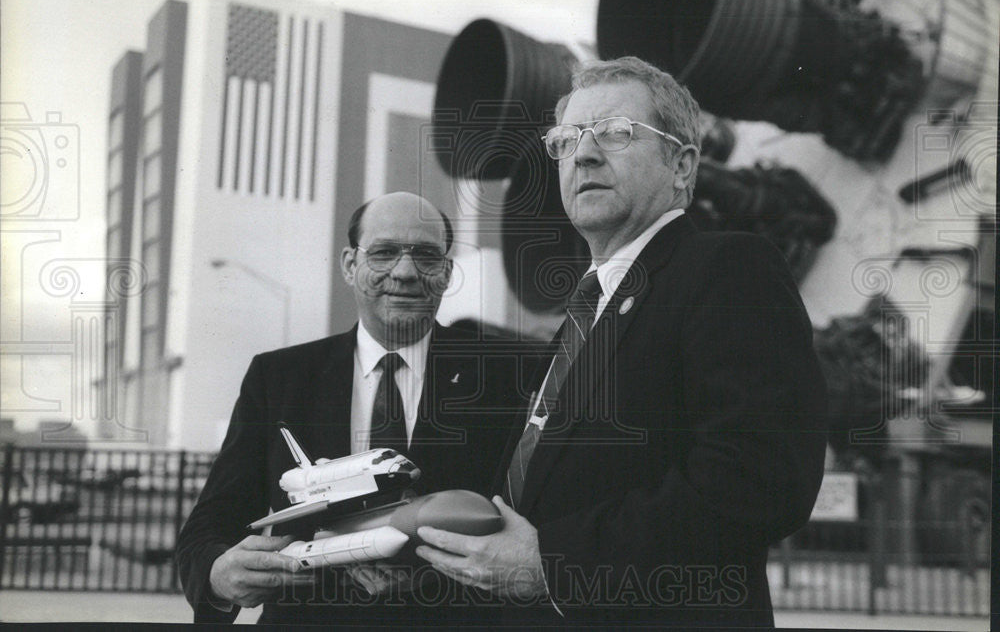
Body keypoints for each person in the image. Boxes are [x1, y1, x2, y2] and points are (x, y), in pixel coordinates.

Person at [415, 57, 828, 626]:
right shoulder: (584, 314)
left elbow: (759, 479)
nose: (582, 154)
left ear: (682, 165)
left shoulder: (729, 268)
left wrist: (554, 565)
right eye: (565, 140)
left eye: (614, 133)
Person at [176, 192, 515, 624]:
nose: (406, 271)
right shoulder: (278, 377)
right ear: (350, 265)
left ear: (447, 273)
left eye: (427, 256)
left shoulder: (507, 377)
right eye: (384, 252)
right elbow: (212, 521)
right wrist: (219, 575)